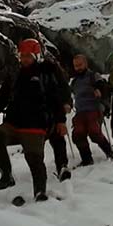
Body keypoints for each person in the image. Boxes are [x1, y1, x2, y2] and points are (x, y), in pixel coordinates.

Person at [0, 39, 66, 202]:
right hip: (14, 122)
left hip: (36, 124)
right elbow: (3, 96)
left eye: (27, 56)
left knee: (34, 157)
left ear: (36, 56)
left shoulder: (46, 72)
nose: (24, 59)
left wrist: (60, 121)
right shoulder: (16, 74)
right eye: (22, 56)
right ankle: (6, 176)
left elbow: (55, 97)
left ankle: (40, 191)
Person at [69, 54, 113, 166]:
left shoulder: (93, 76)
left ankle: (109, 152)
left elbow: (103, 86)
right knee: (78, 134)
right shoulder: (74, 81)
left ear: (85, 64)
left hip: (94, 108)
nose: (78, 68)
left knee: (94, 132)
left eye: (80, 65)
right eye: (76, 66)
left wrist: (99, 90)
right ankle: (87, 159)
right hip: (80, 111)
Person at [36, 48, 73, 181]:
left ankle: (61, 165)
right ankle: (59, 166)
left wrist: (66, 103)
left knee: (56, 137)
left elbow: (62, 89)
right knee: (54, 139)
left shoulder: (50, 69)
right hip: (40, 113)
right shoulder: (49, 69)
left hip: (51, 110)